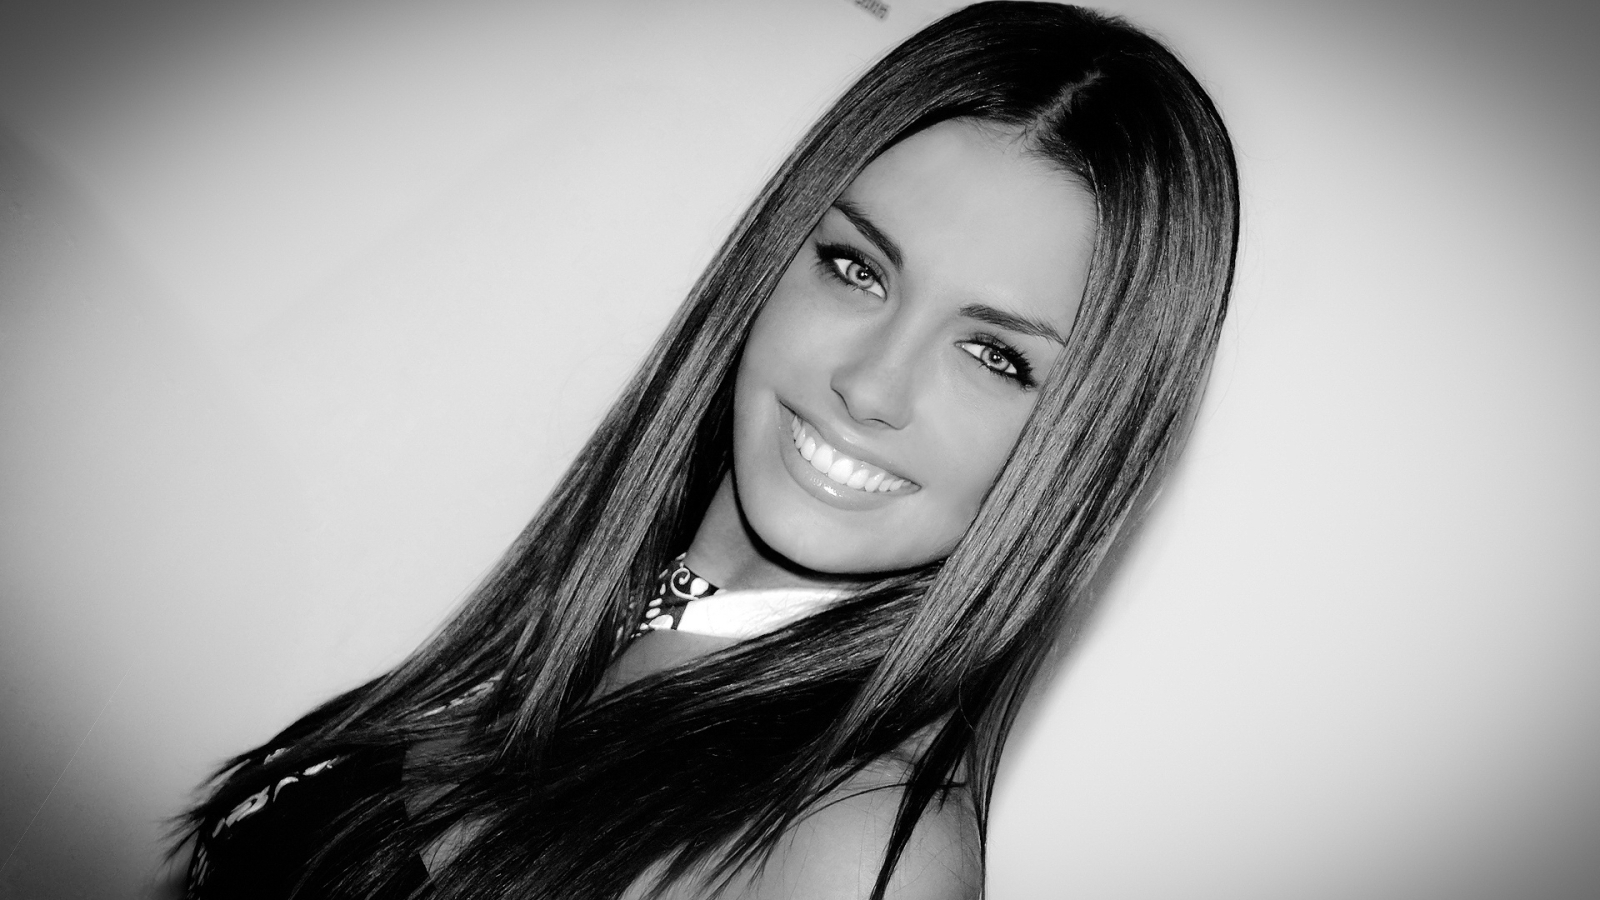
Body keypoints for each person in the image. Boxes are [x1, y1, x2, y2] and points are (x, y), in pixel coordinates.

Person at [177, 3, 1238, 898]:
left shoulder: (854, 850)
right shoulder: (586, 617)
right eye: (857, 270)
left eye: (995, 357)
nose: (870, 385)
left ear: (1080, 451)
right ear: (773, 262)